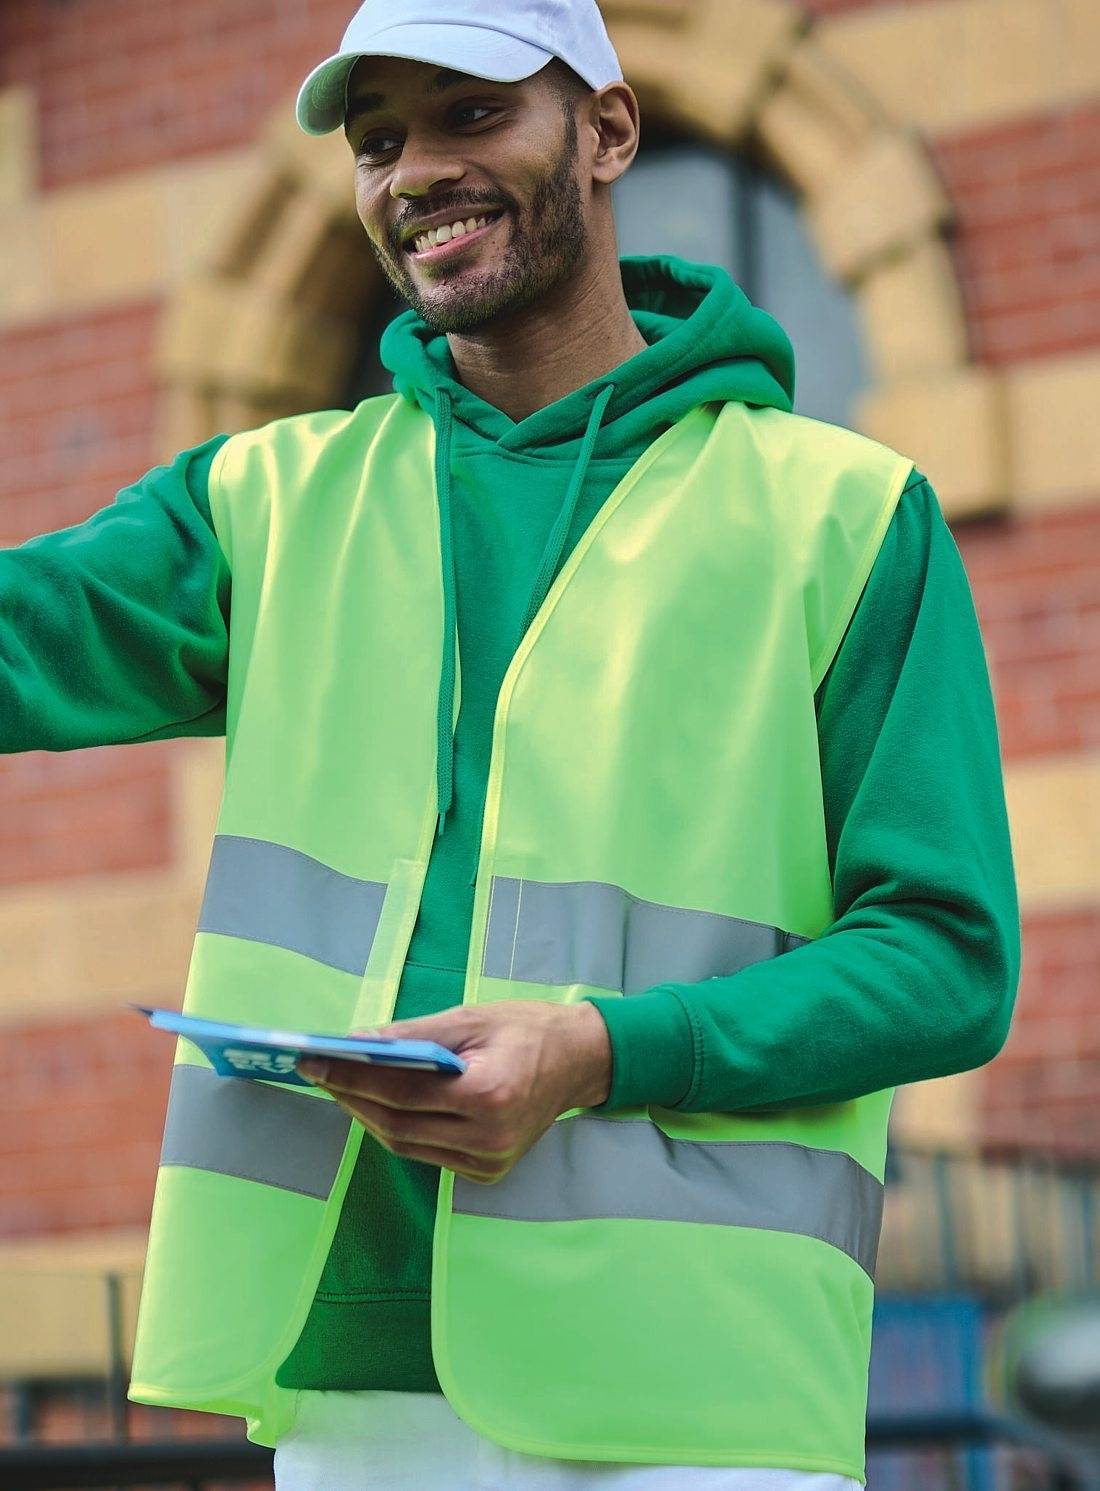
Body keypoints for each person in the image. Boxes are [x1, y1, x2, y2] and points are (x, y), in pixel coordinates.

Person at [1, 0, 1021, 1487]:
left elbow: (947, 959)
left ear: (607, 131)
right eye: (378, 140)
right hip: (351, 1382)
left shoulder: (843, 518)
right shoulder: (267, 501)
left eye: (473, 113)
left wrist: (598, 1050)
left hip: (692, 1396)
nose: (416, 170)